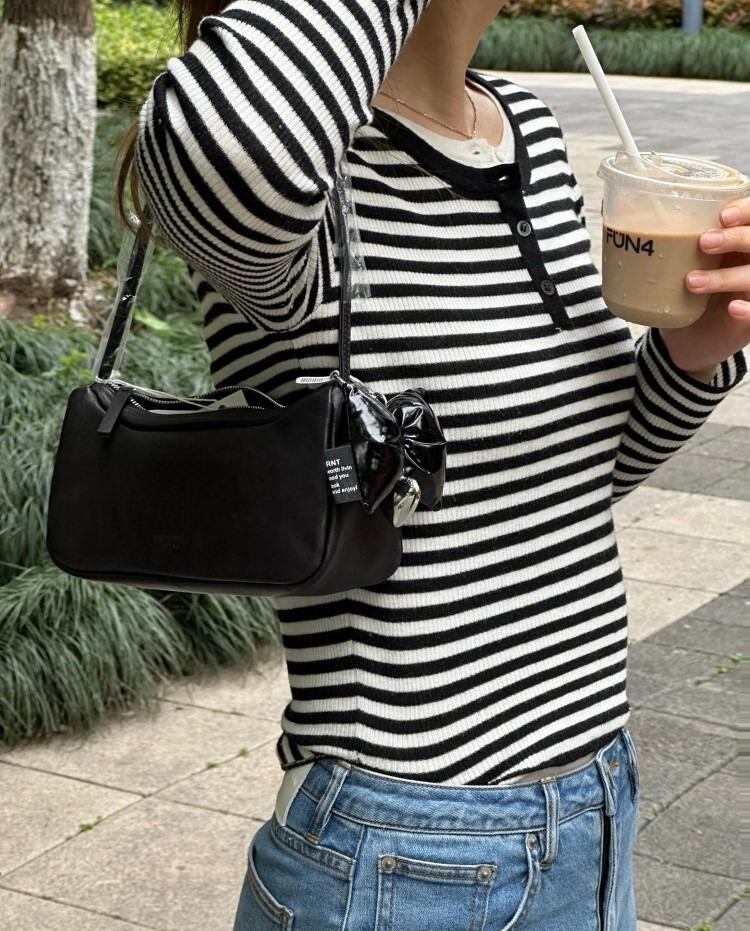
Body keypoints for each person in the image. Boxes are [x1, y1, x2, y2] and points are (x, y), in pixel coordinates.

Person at [116, 2, 750, 928]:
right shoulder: (299, 173)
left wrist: (698, 351)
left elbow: (571, 485)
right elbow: (230, 139)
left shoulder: (524, 126)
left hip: (594, 801)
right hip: (403, 845)